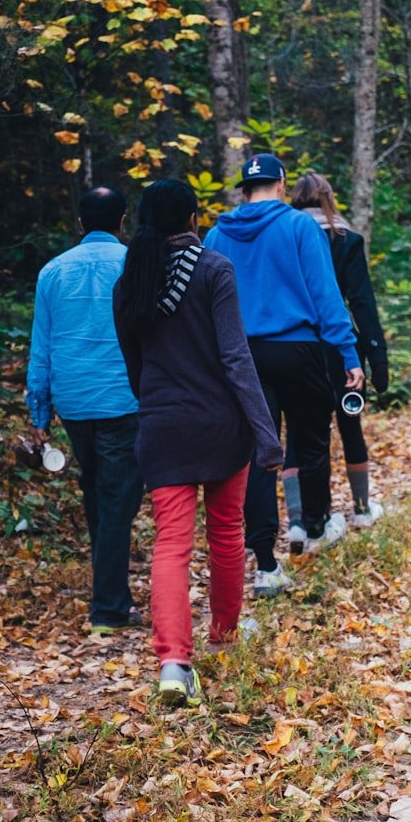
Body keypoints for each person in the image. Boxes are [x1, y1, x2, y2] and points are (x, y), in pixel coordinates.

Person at [112, 179, 283, 707]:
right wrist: (265, 430)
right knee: (227, 532)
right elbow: (236, 357)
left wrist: (159, 406)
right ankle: (226, 636)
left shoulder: (129, 283)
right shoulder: (213, 270)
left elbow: (134, 367)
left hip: (163, 428)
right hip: (219, 426)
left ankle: (173, 663)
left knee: (170, 545)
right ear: (192, 219)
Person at [203, 153, 364, 597]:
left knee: (259, 453)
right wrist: (348, 351)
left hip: (241, 355)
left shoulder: (217, 234)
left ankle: (265, 563)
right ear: (281, 184)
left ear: (243, 188)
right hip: (298, 349)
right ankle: (313, 528)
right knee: (310, 441)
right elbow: (325, 293)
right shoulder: (299, 227)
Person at [26, 186, 144, 636]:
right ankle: (110, 607)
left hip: (74, 403)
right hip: (123, 399)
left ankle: (110, 590)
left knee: (98, 491)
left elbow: (42, 347)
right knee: (117, 500)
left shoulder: (53, 272)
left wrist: (39, 413)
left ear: (79, 224)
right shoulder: (134, 264)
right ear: (122, 221)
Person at [286, 173, 390, 528]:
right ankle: (361, 509)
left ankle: (300, 519)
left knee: (299, 433)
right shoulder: (346, 239)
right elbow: (362, 302)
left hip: (295, 345)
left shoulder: (283, 237)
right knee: (350, 425)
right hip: (340, 346)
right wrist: (377, 357)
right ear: (329, 198)